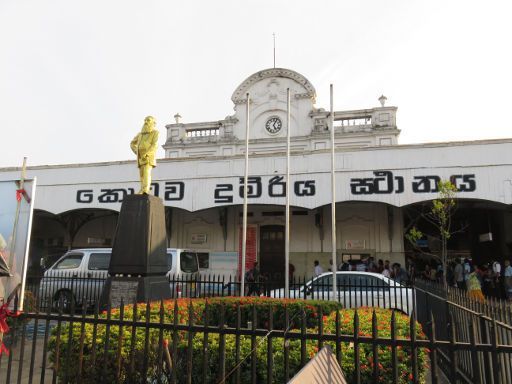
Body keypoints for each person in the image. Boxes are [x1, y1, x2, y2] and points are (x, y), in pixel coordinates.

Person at [130, 116, 159, 194]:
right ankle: (142, 189)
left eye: (148, 120)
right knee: (142, 175)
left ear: (153, 123)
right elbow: (132, 143)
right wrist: (136, 151)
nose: (146, 122)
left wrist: (147, 154)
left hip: (148, 157)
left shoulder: (155, 133)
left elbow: (155, 145)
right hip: (140, 157)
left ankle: (145, 190)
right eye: (145, 120)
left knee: (147, 173)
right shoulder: (140, 134)